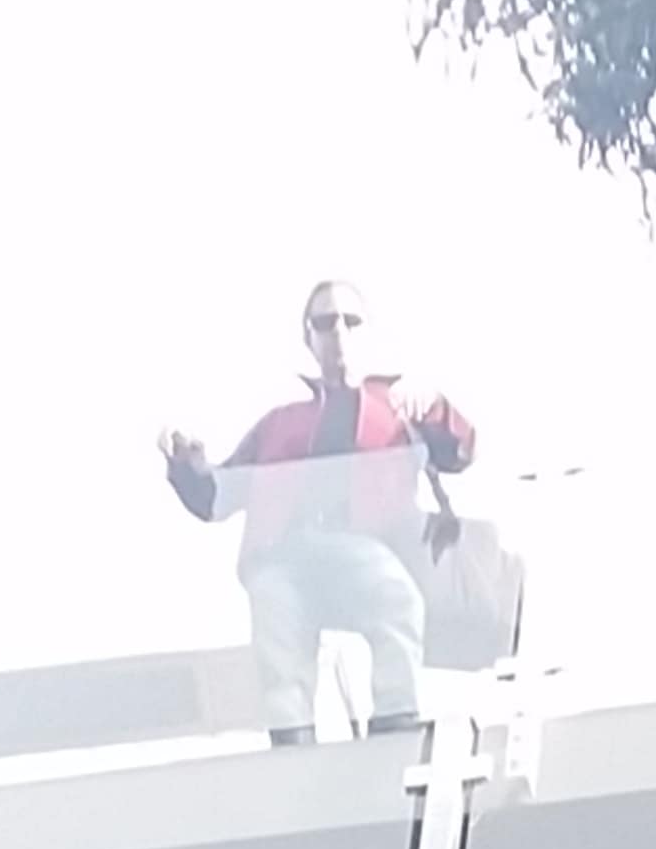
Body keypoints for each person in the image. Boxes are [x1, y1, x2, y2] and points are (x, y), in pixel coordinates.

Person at [160, 280, 477, 742]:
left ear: (368, 332)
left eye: (350, 321)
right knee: (278, 641)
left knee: (397, 601)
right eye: (325, 323)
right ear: (308, 339)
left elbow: (460, 452)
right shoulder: (280, 424)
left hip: (365, 547)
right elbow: (218, 496)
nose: (339, 333)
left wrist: (434, 406)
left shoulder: (397, 409)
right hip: (283, 555)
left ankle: (396, 725)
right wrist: (184, 462)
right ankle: (293, 747)